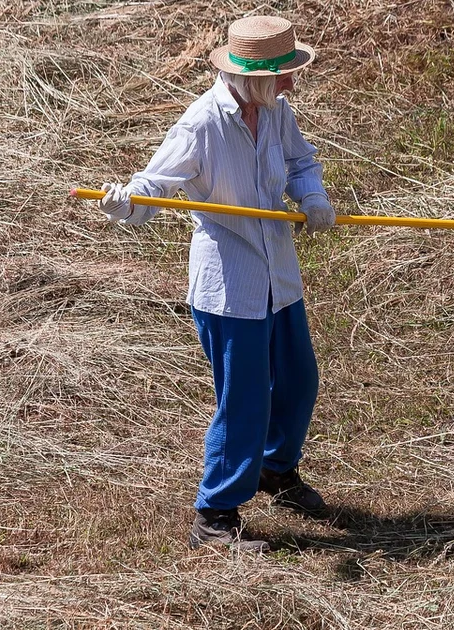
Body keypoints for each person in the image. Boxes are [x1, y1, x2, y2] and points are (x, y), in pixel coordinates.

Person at [95, 15, 336, 552]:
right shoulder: (202, 123)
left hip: (278, 273)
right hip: (230, 286)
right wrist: (124, 202)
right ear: (255, 79)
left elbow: (301, 163)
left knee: (298, 380)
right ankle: (216, 513)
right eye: (284, 74)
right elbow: (156, 185)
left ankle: (276, 470)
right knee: (245, 398)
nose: (293, 83)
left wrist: (312, 197)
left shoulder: (275, 111)